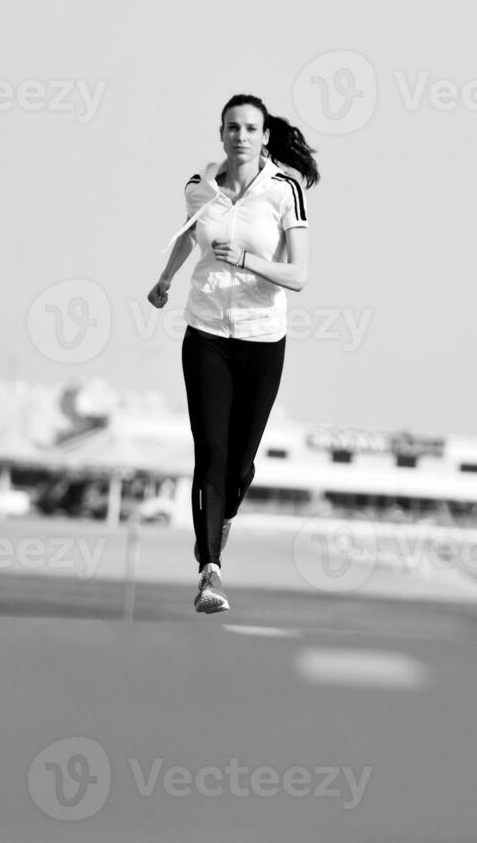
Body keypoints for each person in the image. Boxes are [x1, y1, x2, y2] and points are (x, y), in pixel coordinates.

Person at [147, 94, 317, 614]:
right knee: (211, 454)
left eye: (250, 128)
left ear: (265, 136)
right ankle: (210, 572)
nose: (240, 135)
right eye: (232, 128)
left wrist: (246, 259)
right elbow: (186, 236)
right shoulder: (200, 188)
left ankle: (223, 515)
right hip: (206, 335)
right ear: (220, 134)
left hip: (263, 340)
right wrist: (166, 279)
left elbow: (299, 276)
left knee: (239, 466)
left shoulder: (284, 191)